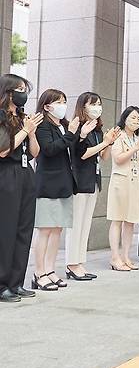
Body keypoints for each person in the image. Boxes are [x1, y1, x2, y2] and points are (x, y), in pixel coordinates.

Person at [67, 92, 120, 280]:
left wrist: (109, 143)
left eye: (99, 103)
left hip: (93, 179)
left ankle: (79, 262)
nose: (97, 107)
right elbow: (82, 154)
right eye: (93, 104)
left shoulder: (98, 130)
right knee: (76, 224)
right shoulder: (78, 128)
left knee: (85, 223)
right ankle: (72, 263)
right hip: (79, 181)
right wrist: (104, 143)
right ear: (83, 106)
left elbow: (103, 157)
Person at [32, 89, 79, 291]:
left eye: (64, 101)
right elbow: (49, 150)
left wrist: (79, 133)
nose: (63, 105)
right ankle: (38, 272)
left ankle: (50, 270)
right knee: (45, 230)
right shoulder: (42, 125)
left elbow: (71, 147)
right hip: (48, 184)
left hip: (64, 183)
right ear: (46, 106)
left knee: (58, 229)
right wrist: (70, 134)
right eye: (58, 102)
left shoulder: (63, 125)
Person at [0, 75, 41, 302]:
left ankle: (16, 282)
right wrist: (25, 130)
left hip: (26, 174)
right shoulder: (1, 116)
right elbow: (3, 150)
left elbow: (35, 153)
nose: (23, 93)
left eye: (25, 89)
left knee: (24, 230)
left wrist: (31, 132)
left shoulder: (24, 118)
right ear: (7, 92)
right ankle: (2, 284)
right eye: (19, 89)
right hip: (7, 174)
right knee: (6, 230)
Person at [106, 106, 139, 272]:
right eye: (133, 118)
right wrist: (136, 148)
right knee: (117, 219)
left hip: (136, 182)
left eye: (138, 118)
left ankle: (126, 256)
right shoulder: (119, 136)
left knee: (131, 221)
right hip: (121, 182)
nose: (136, 121)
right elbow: (118, 159)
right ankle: (114, 257)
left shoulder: (137, 139)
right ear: (124, 119)